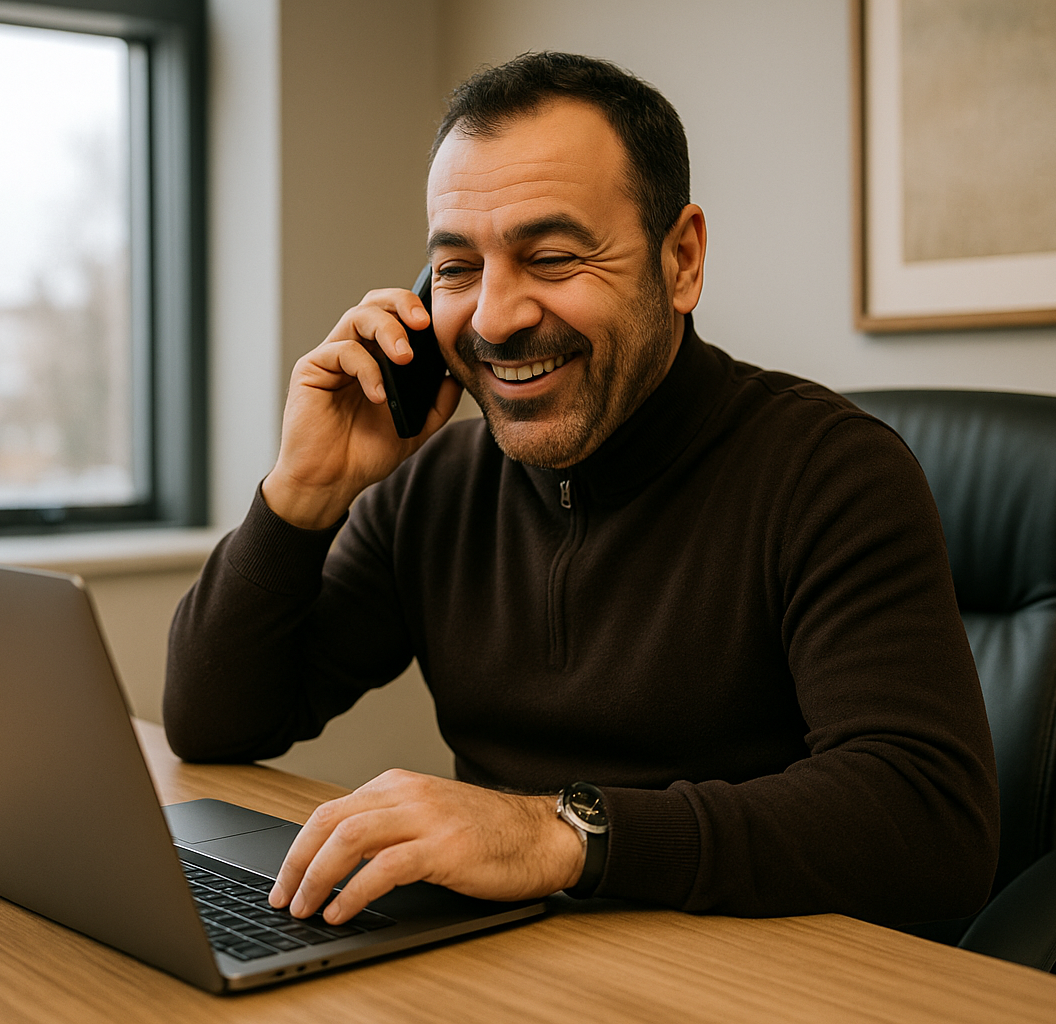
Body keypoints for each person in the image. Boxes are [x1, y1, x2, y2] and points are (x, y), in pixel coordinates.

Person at [164, 52, 999, 930]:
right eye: (456, 269)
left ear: (680, 261)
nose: (493, 316)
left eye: (553, 257)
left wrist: (558, 833)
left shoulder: (829, 472)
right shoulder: (436, 488)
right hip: (514, 968)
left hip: (756, 974)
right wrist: (302, 492)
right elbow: (215, 723)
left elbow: (931, 826)